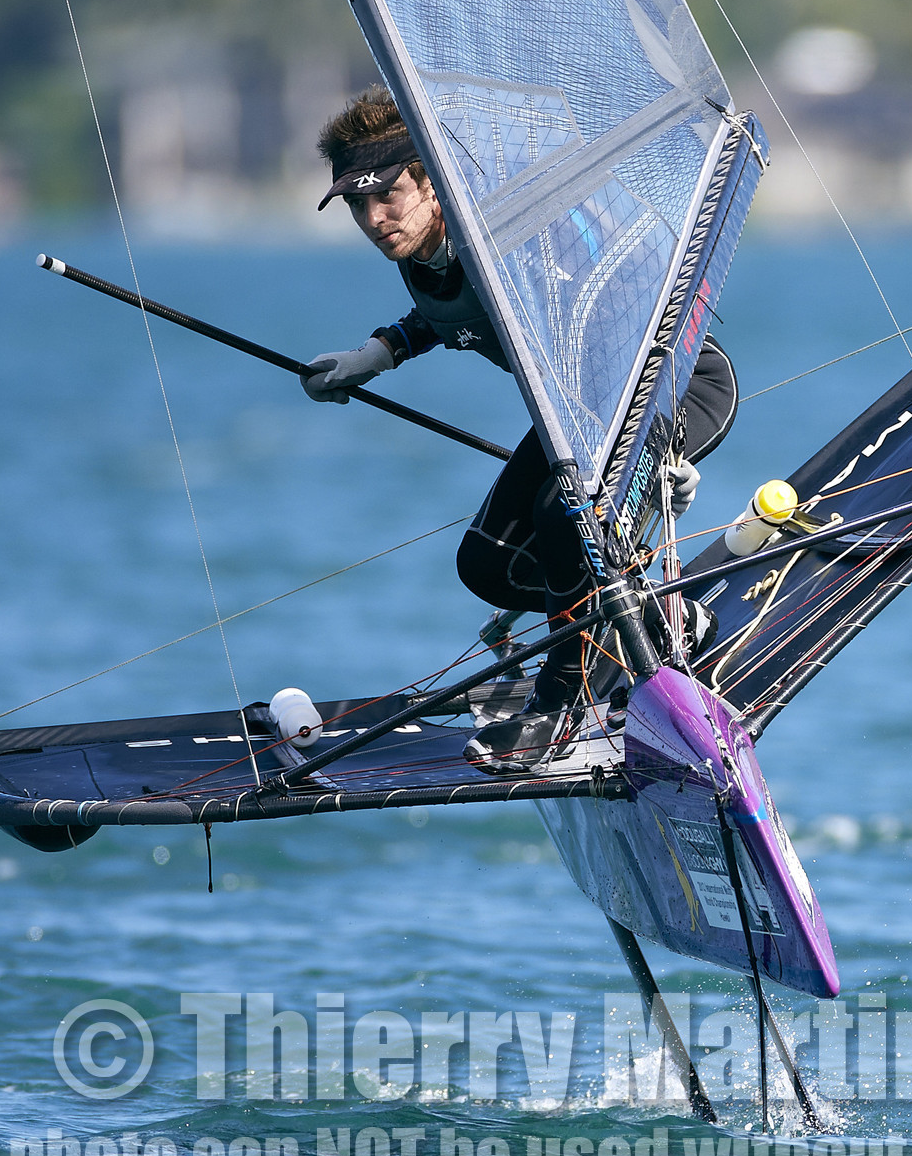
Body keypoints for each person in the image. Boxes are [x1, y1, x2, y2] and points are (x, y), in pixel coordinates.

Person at [303, 88, 736, 765]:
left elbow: (629, 317)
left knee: (567, 519)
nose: (374, 217)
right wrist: (375, 355)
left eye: (388, 194)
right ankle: (665, 621)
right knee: (490, 564)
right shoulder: (424, 254)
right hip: (580, 417)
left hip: (671, 385)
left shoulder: (508, 243)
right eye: (358, 204)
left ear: (433, 183)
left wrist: (663, 452)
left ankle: (556, 710)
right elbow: (452, 313)